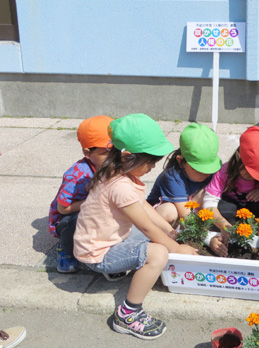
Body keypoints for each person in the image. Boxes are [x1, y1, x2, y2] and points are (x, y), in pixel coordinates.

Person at [73, 113, 198, 340]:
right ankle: (128, 313)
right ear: (127, 156)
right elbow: (148, 228)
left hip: (105, 240)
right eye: (149, 161)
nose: (152, 166)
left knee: (161, 233)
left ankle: (122, 268)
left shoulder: (118, 172)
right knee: (159, 253)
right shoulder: (120, 186)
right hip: (98, 254)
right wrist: (176, 248)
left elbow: (145, 208)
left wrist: (170, 232)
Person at [48, 115, 113, 273]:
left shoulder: (109, 166)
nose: (112, 158)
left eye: (115, 152)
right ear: (87, 152)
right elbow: (63, 208)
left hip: (95, 213)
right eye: (106, 153)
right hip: (69, 218)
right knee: (77, 221)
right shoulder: (78, 176)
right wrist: (94, 202)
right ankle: (66, 248)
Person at [204, 126, 259, 257]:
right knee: (224, 206)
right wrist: (224, 226)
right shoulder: (224, 172)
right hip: (232, 215)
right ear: (238, 157)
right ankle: (232, 236)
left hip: (256, 215)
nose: (255, 178)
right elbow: (209, 204)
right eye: (250, 173)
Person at [147, 122, 222, 227]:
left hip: (189, 210)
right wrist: (208, 238)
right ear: (180, 161)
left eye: (208, 168)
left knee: (211, 193)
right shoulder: (172, 176)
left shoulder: (211, 173)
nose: (205, 173)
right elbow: (186, 216)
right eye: (198, 169)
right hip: (163, 217)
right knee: (169, 211)